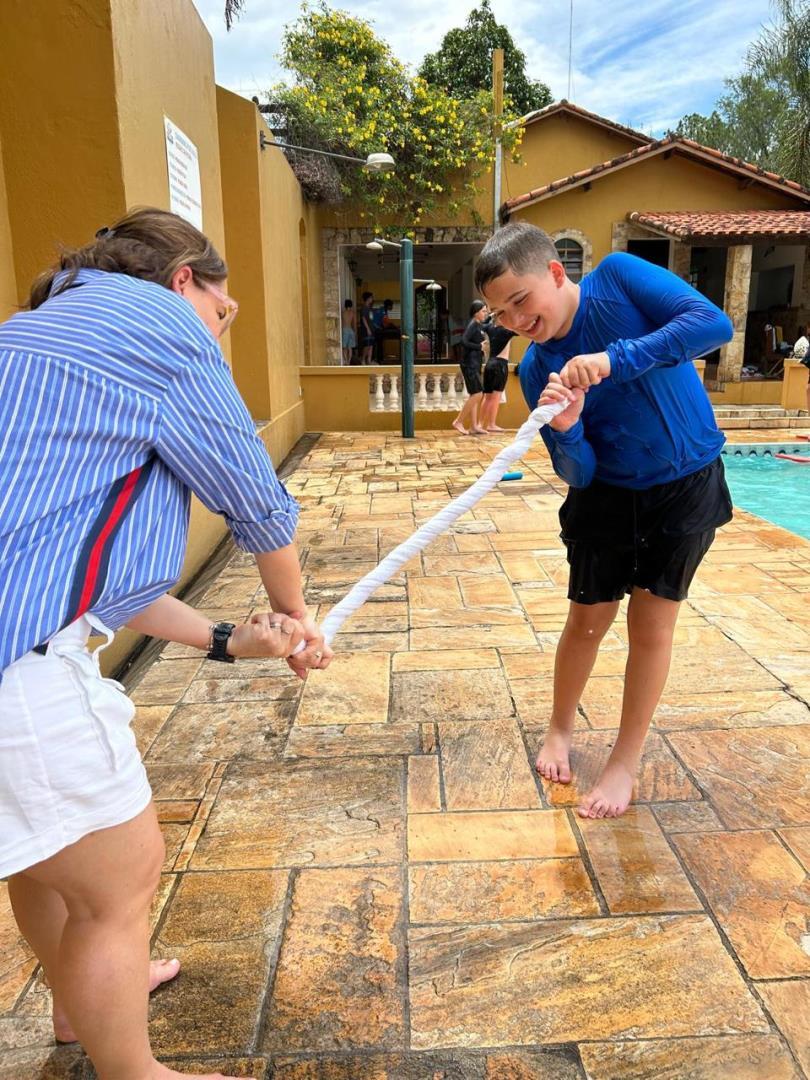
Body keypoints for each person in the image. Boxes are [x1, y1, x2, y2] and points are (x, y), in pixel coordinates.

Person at [0, 207, 333, 1080]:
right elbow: (257, 502)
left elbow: (97, 580)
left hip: (19, 646)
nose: (221, 331)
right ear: (186, 280)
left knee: (45, 858)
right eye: (224, 312)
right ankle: (134, 1070)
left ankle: (83, 999)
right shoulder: (158, 326)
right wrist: (297, 618)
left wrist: (229, 638)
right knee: (120, 880)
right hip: (19, 671)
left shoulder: (31, 331)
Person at [475, 222, 733, 820]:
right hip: (606, 498)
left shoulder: (617, 278)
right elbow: (578, 474)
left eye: (521, 300)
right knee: (587, 622)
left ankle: (624, 760)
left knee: (652, 627)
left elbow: (712, 325)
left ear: (556, 272)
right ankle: (559, 728)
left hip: (686, 483)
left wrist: (614, 359)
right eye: (501, 313)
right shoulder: (537, 370)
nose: (515, 320)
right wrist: (568, 431)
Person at [452, 299, 489, 435]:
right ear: (475, 313)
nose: (485, 313)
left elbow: (488, 322)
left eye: (486, 311)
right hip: (469, 364)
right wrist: (479, 346)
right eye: (483, 311)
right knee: (478, 394)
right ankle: (458, 421)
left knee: (474, 394)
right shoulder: (473, 325)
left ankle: (474, 426)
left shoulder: (479, 325)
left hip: (475, 364)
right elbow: (464, 341)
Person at [481, 319, 516, 431]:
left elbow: (482, 325)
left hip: (489, 364)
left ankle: (480, 424)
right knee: (496, 397)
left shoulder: (490, 328)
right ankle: (491, 424)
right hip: (500, 365)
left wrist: (490, 316)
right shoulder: (506, 331)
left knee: (487, 397)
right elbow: (522, 330)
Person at [360, 290, 375, 364]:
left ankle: (369, 360)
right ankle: (363, 359)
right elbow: (363, 319)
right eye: (371, 297)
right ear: (368, 298)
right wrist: (368, 329)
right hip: (366, 330)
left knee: (371, 345)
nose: (372, 299)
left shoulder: (370, 308)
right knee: (366, 345)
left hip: (372, 329)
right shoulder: (364, 308)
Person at [341, 297, 357, 364]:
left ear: (345, 305)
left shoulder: (343, 313)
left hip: (345, 330)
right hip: (351, 330)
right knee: (350, 348)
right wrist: (355, 332)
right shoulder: (353, 313)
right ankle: (349, 361)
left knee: (344, 347)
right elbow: (354, 324)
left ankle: (345, 361)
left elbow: (341, 323)